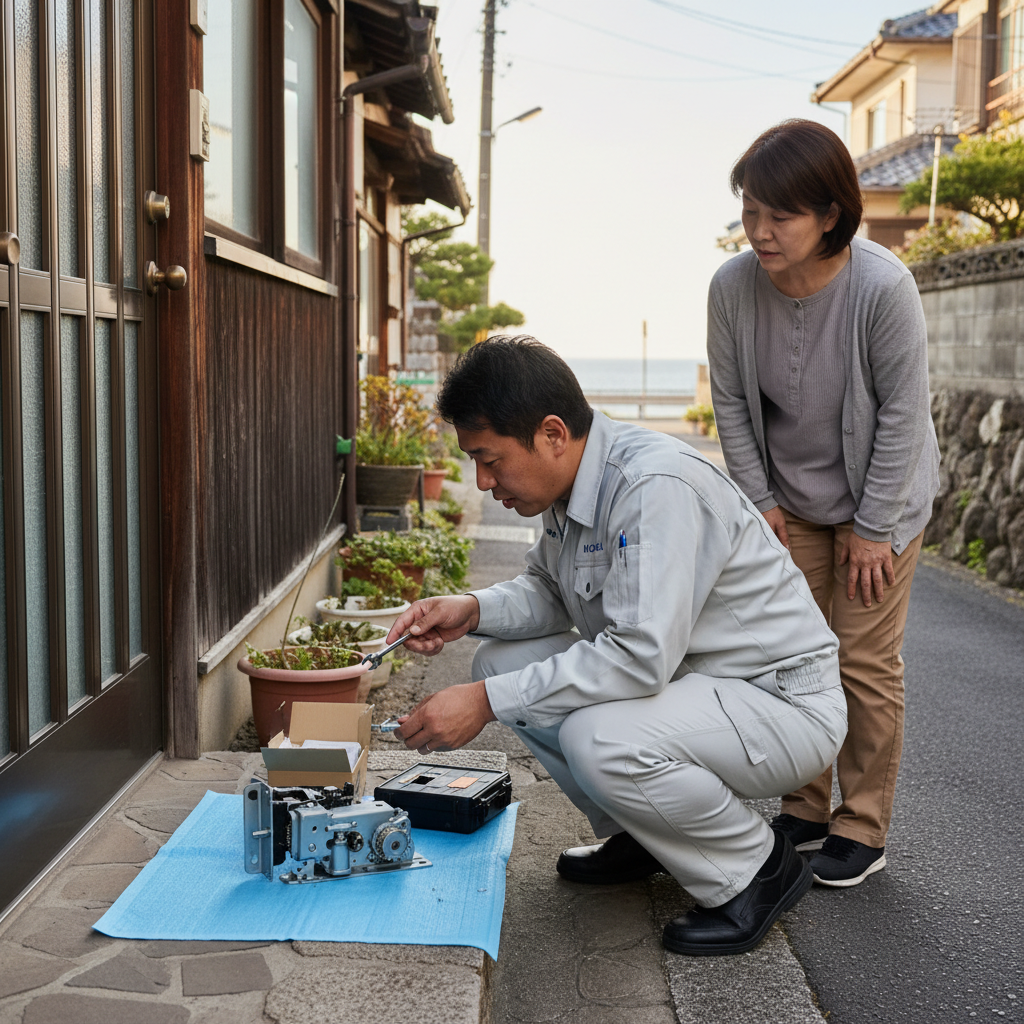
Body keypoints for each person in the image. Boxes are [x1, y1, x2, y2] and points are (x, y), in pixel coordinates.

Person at [386, 336, 848, 956]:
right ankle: (647, 832)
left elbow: (637, 656)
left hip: (780, 704)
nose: (482, 480)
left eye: (490, 459)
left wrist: (485, 703)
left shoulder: (652, 486)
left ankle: (756, 869)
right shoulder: (574, 483)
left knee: (592, 736)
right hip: (701, 692)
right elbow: (554, 592)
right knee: (501, 659)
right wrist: (472, 610)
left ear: (552, 433)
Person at [707, 119, 940, 888]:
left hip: (884, 500)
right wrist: (759, 502)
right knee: (792, 655)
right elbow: (733, 403)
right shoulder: (732, 288)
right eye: (750, 212)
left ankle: (862, 824)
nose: (760, 232)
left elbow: (905, 414)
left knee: (863, 660)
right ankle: (804, 807)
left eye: (782, 216)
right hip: (789, 503)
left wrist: (873, 530)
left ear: (830, 214)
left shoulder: (882, 286)